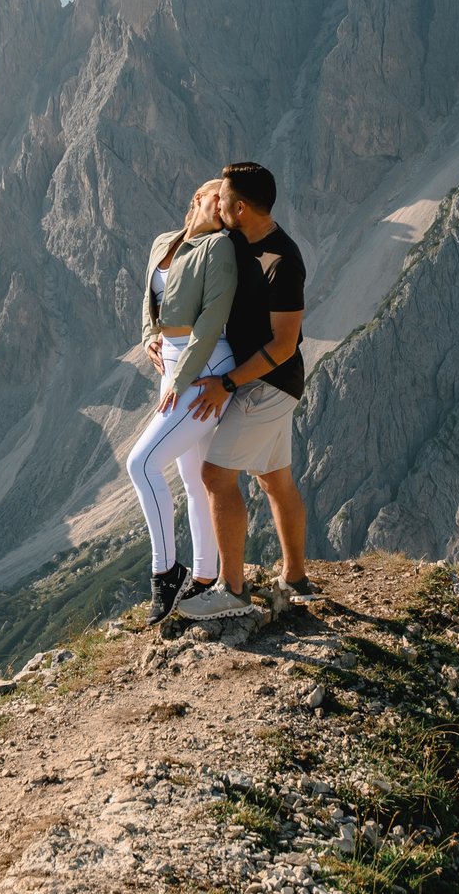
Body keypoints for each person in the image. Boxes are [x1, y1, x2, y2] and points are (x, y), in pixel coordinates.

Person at [173, 159, 315, 620]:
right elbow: (202, 202)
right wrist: (158, 338)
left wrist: (228, 383)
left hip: (267, 385)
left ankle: (231, 592)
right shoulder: (238, 237)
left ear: (240, 208)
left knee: (214, 477)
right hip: (267, 382)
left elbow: (284, 342)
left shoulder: (283, 261)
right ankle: (295, 580)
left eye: (224, 200)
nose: (217, 204)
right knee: (275, 479)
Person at [123, 179, 241, 621]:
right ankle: (206, 579)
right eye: (219, 198)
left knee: (142, 463)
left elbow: (212, 319)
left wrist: (182, 380)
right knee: (196, 480)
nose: (227, 206)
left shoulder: (220, 248)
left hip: (205, 365)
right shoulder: (163, 242)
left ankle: (166, 573)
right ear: (198, 199)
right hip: (173, 365)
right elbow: (150, 297)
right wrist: (149, 336)